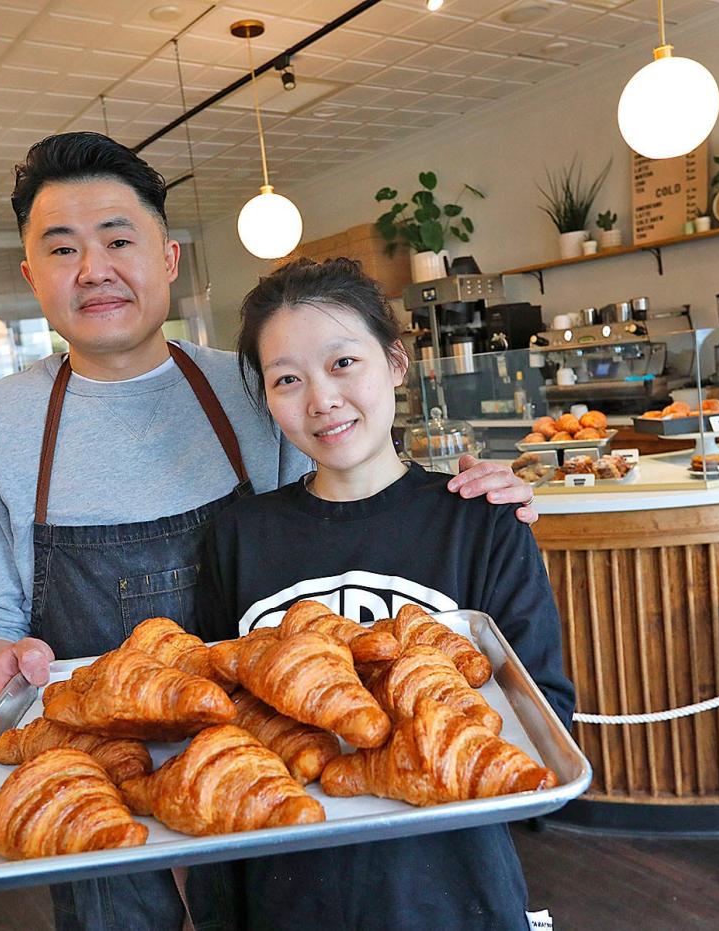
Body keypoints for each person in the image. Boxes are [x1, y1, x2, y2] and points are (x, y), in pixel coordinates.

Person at [0, 132, 538, 931]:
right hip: (88, 784)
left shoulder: (256, 382)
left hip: (276, 778)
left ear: (170, 256)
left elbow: (346, 500)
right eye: (62, 248)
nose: (94, 269)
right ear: (30, 276)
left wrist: (481, 498)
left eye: (119, 239)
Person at [191, 257, 575, 930]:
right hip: (282, 896)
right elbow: (211, 719)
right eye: (287, 379)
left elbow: (548, 722)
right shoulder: (237, 533)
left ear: (396, 362)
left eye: (343, 363)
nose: (321, 399)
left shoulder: (479, 520)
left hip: (449, 894)